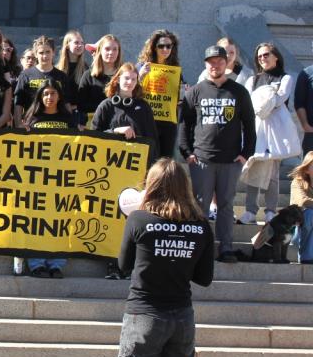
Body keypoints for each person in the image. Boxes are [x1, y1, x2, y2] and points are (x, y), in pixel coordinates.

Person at [114, 158, 214, 357]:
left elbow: (123, 264)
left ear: (151, 185)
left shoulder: (138, 220)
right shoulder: (201, 225)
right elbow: (204, 278)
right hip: (181, 317)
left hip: (143, 315)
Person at [179, 45, 256, 264]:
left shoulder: (238, 92)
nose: (215, 65)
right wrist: (187, 153)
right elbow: (185, 125)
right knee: (200, 206)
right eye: (211, 61)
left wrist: (245, 154)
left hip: (231, 161)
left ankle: (226, 248)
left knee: (226, 206)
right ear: (206, 64)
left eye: (220, 61)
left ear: (227, 63)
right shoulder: (195, 91)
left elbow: (250, 125)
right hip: (201, 159)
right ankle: (200, 248)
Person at [92, 62, 159, 280]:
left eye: (132, 79)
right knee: (111, 218)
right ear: (117, 80)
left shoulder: (143, 107)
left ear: (137, 82)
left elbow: (152, 141)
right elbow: (93, 138)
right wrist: (115, 131)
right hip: (109, 173)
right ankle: (112, 264)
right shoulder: (105, 106)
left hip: (135, 175)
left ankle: (129, 265)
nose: (129, 82)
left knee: (132, 218)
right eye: (125, 78)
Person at [239, 43, 295, 225]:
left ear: (276, 56)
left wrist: (264, 101)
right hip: (256, 129)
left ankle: (271, 210)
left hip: (276, 131)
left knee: (272, 173)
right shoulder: (252, 80)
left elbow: (280, 99)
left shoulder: (285, 78)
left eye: (266, 55)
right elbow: (248, 103)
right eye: (259, 56)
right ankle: (250, 211)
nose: (262, 58)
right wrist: (268, 96)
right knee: (253, 167)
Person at [23, 80, 74, 278]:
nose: (49, 97)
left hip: (61, 178)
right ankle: (36, 263)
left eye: (53, 93)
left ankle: (56, 264)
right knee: (34, 221)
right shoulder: (32, 118)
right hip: (36, 178)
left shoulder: (68, 119)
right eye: (45, 94)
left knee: (61, 220)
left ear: (59, 96)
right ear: (40, 96)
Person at [138, 29, 186, 159]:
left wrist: (184, 94)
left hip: (168, 123)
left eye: (168, 46)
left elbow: (179, 99)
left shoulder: (175, 70)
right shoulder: (142, 66)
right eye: (161, 46)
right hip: (146, 120)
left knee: (165, 161)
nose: (165, 49)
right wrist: (140, 76)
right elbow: (133, 92)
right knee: (146, 160)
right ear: (154, 47)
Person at [14, 35, 76, 128]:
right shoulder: (25, 75)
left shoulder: (61, 76)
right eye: (41, 52)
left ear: (53, 52)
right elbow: (18, 102)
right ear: (35, 54)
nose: (45, 56)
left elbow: (66, 102)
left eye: (48, 52)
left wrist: (71, 125)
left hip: (58, 124)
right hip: (32, 124)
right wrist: (18, 124)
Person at [79, 34, 122, 127]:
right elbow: (81, 105)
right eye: (107, 49)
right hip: (94, 125)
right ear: (100, 51)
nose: (111, 52)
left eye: (115, 49)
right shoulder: (88, 75)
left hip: (119, 124)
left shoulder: (124, 74)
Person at [289, 151, 313, 264]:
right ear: (306, 169)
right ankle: (306, 256)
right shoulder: (297, 182)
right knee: (309, 214)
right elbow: (303, 201)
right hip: (299, 227)